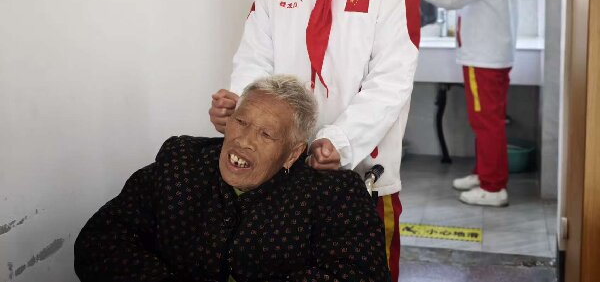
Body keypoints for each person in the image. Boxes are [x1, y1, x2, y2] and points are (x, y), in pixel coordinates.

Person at [209, 0, 420, 277]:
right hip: (282, 172)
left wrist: (340, 141)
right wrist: (240, 111)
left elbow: (392, 78)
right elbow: (255, 59)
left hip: (362, 173)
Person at [74, 75, 392, 282]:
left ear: (293, 153)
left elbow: (359, 275)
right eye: (240, 122)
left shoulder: (334, 194)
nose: (243, 141)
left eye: (266, 134)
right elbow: (101, 240)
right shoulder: (181, 163)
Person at [418, 0, 519, 207]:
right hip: (488, 56)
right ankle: (483, 173)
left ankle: (493, 187)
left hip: (484, 58)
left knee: (487, 123)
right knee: (485, 121)